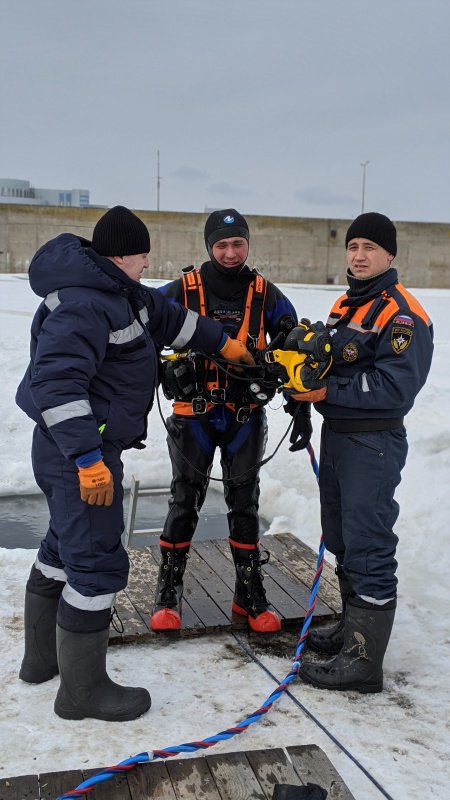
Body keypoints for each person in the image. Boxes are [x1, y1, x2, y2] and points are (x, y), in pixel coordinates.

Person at [15, 205, 254, 722]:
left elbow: (174, 320)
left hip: (80, 451)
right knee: (96, 563)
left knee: (62, 545)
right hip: (79, 455)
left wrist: (227, 345)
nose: (148, 268)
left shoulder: (122, 294)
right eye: (143, 259)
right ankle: (83, 693)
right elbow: (55, 385)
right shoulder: (83, 305)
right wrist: (85, 458)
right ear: (121, 256)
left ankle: (40, 660)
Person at [298, 212, 434, 693]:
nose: (359, 256)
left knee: (369, 542)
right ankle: (352, 629)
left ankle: (362, 664)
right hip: (338, 436)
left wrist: (326, 390)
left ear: (390, 254)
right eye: (353, 246)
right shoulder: (346, 305)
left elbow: (396, 388)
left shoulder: (401, 314)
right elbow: (327, 363)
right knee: (343, 535)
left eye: (370, 248)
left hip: (371, 443)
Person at [150, 208, 301, 634]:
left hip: (245, 416)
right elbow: (138, 324)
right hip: (192, 415)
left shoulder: (267, 294)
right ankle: (168, 592)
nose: (231, 252)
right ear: (208, 247)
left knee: (245, 505)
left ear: (248, 244)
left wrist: (298, 401)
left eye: (238, 244)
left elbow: (296, 347)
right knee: (184, 502)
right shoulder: (180, 290)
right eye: (221, 245)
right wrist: (156, 374)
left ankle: (250, 593)